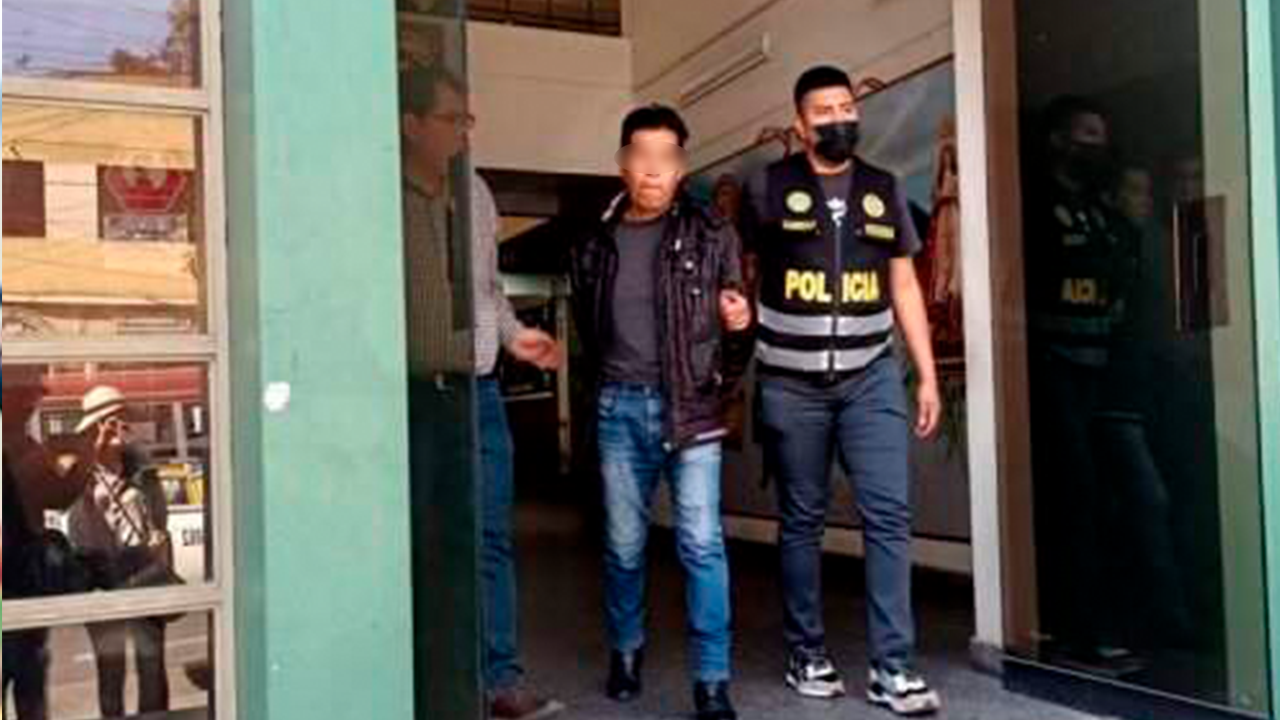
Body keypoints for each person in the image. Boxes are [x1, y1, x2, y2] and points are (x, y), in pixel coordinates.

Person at [739, 65, 942, 716]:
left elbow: (904, 285)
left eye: (845, 107)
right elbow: (740, 271)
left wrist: (927, 374)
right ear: (800, 125)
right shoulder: (766, 188)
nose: (837, 119)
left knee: (889, 514)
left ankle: (893, 668)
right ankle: (807, 652)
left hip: (870, 378)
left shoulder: (884, 189)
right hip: (790, 383)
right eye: (822, 112)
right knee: (803, 518)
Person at [569, 104, 753, 720]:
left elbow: (738, 338)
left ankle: (712, 680)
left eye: (666, 158)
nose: (653, 170)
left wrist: (739, 326)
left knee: (702, 544)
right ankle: (626, 650)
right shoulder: (593, 241)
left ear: (681, 166)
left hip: (693, 410)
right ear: (622, 163)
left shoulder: (713, 232)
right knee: (624, 544)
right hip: (618, 407)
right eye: (641, 157)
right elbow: (587, 331)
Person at [400, 63, 565, 720]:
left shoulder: (476, 193)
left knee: (489, 539)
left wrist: (517, 336)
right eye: (450, 119)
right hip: (410, 398)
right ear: (410, 124)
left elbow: (489, 291)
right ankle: (422, 683)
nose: (464, 132)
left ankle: (499, 681)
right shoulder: (379, 194)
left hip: (480, 396)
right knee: (419, 542)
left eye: (467, 119)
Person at [1022, 96, 1143, 674]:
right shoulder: (1034, 205)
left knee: (1112, 497)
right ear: (1059, 140)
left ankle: (1103, 622)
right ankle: (1078, 630)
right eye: (1086, 134)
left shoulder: (1099, 211)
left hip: (1104, 368)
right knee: (1074, 497)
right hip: (1054, 367)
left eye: (1102, 135)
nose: (1098, 145)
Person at [66, 386, 173, 718]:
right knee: (111, 672)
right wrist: (94, 453)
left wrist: (157, 540)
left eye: (122, 418)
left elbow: (160, 517)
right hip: (100, 579)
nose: (118, 426)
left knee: (151, 665)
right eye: (108, 420)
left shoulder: (141, 466)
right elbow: (68, 511)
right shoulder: (77, 470)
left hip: (142, 573)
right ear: (94, 426)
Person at [2, 365, 95, 720]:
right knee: (29, 684)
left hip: (18, 587)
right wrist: (84, 459)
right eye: (27, 397)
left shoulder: (23, 444)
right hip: (17, 587)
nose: (32, 406)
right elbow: (57, 495)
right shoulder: (18, 446)